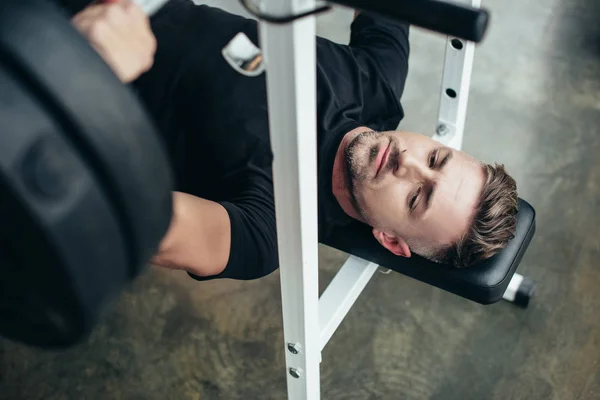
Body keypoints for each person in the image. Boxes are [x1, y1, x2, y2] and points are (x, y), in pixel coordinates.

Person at [63, 0, 518, 280]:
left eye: (418, 196)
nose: (406, 162)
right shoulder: (378, 81)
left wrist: (86, 83)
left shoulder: (273, 228)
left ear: (391, 241)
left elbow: (144, 224)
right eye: (434, 157)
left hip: (44, 67)